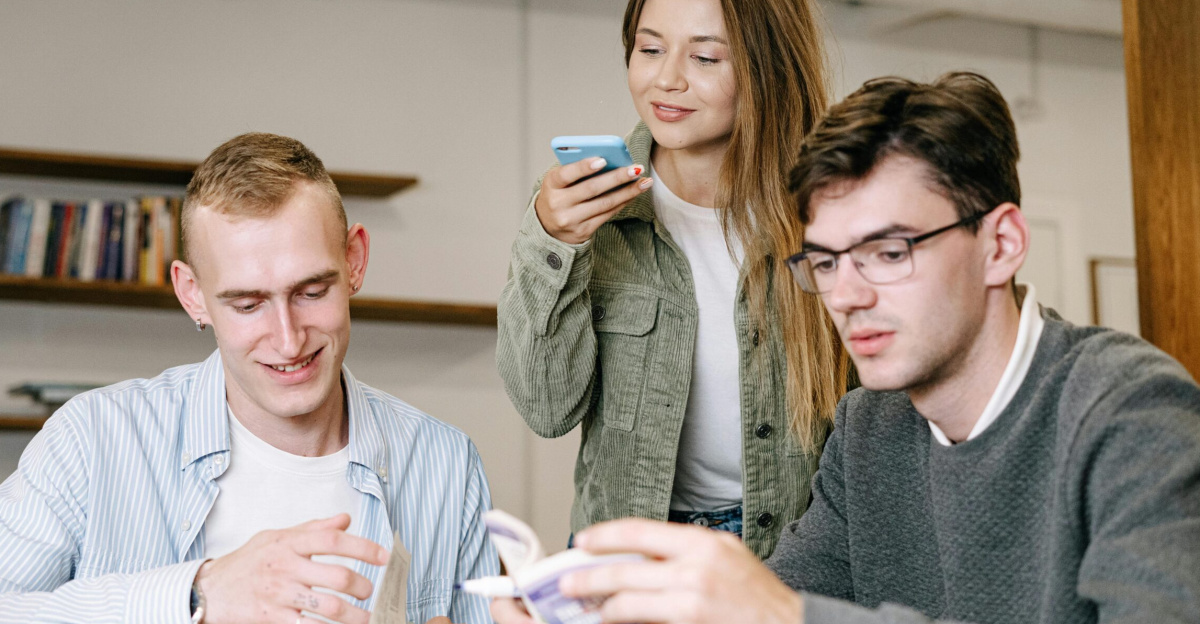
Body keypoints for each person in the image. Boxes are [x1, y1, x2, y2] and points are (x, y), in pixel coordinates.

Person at [491, 72, 1200, 624]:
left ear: (1002, 244)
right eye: (826, 262)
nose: (847, 295)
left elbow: (783, 612)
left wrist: (783, 615)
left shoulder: (1131, 413)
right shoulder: (869, 429)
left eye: (889, 253)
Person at [0, 133, 497, 624]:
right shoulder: (90, 440)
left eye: (312, 292)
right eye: (247, 304)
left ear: (354, 261)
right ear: (192, 295)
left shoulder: (446, 463)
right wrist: (197, 595)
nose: (288, 340)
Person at [496, 0, 850, 559]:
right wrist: (553, 243)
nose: (666, 78)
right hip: (625, 553)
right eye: (650, 48)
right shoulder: (581, 211)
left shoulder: (831, 213)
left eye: (705, 58)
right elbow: (546, 408)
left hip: (791, 552)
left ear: (770, 68)